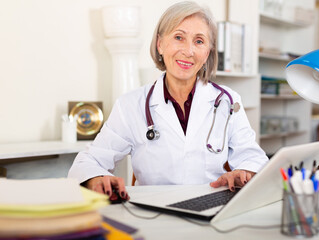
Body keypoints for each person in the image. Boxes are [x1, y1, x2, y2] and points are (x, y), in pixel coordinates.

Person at [68, 1, 268, 201]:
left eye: (199, 41)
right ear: (160, 44)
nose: (188, 51)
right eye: (179, 37)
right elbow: (88, 161)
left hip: (211, 207)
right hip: (154, 211)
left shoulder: (227, 100)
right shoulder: (130, 105)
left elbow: (253, 158)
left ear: (207, 52)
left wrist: (243, 173)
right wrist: (96, 179)